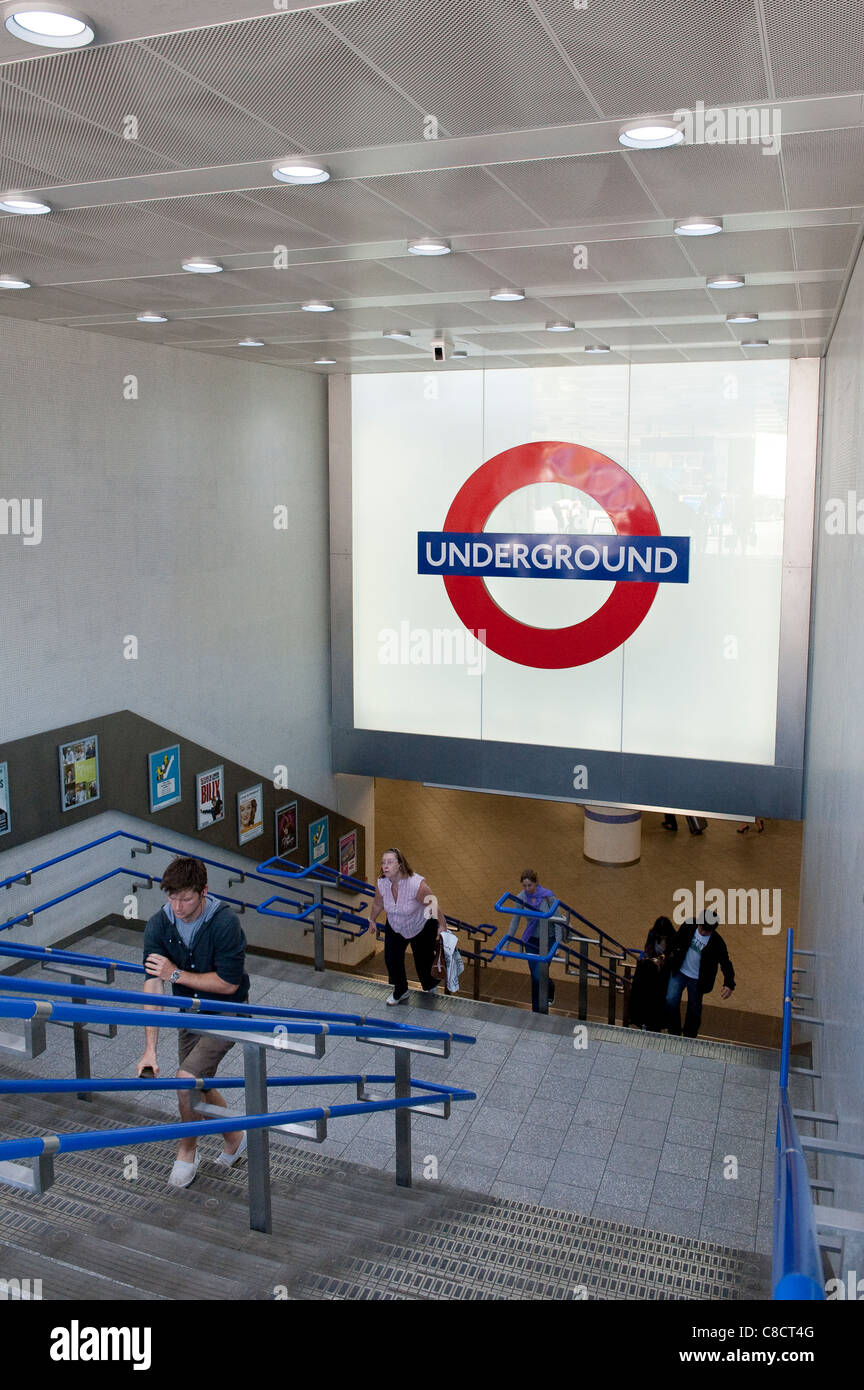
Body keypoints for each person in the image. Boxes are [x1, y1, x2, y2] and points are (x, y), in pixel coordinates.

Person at [136, 856, 250, 1188]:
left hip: (228, 1011)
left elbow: (229, 984)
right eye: (172, 897)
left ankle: (187, 1150)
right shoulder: (160, 923)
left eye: (186, 898)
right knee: (200, 1084)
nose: (178, 906)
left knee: (186, 1079)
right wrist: (149, 1051)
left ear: (204, 892)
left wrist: (178, 974)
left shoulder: (225, 923)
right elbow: (153, 985)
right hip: (191, 1013)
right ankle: (236, 1139)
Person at [366, 848, 445, 1005]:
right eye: (383, 863)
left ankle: (430, 987)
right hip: (396, 925)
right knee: (392, 959)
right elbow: (377, 903)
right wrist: (372, 919)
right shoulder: (382, 883)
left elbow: (433, 904)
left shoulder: (416, 885)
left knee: (423, 960)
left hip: (421, 925)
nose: (385, 866)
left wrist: (442, 925)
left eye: (390, 862)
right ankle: (400, 991)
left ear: (400, 865)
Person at [665, 908, 735, 1039]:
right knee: (670, 1000)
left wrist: (729, 983)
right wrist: (667, 956)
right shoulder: (688, 926)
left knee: (694, 1009)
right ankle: (674, 1032)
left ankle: (689, 1036)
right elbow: (674, 940)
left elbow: (725, 963)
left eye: (706, 931)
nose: (702, 932)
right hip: (679, 971)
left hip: (698, 980)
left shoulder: (717, 942)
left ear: (713, 930)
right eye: (701, 928)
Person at [513, 870, 559, 1012]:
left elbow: (558, 921)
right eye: (524, 886)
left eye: (530, 885)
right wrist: (508, 940)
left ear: (536, 883)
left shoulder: (548, 897)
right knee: (535, 975)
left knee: (540, 974)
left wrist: (558, 944)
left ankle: (549, 989)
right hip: (531, 940)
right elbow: (515, 920)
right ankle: (536, 1009)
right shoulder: (521, 898)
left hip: (548, 939)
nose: (527, 889)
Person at [628, 917, 673, 1031]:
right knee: (644, 991)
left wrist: (662, 960)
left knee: (661, 996)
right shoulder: (652, 934)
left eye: (664, 935)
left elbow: (671, 955)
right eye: (661, 934)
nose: (662, 937)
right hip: (652, 968)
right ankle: (640, 1018)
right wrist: (653, 960)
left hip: (665, 970)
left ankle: (658, 1022)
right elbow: (648, 950)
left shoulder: (673, 937)